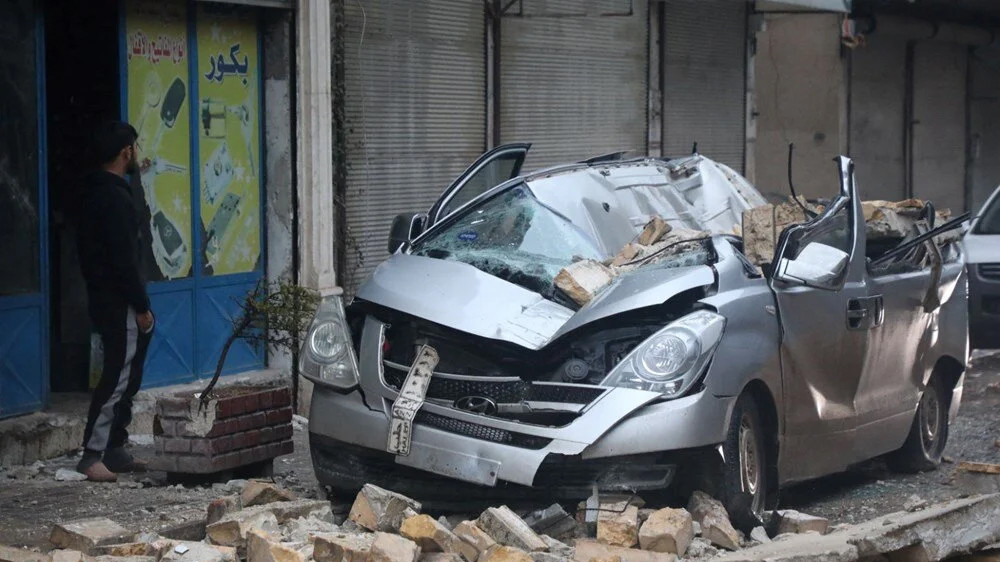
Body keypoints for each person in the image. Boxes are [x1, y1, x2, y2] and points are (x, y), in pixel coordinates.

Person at [75, 121, 155, 482]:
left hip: (106, 296)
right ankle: (92, 454)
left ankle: (114, 448)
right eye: (134, 148)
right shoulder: (113, 196)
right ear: (126, 152)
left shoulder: (94, 191)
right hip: (119, 300)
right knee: (118, 375)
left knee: (128, 372)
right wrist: (140, 306)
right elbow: (123, 260)